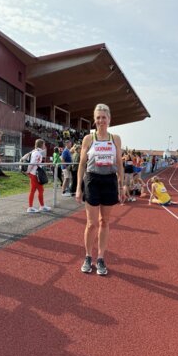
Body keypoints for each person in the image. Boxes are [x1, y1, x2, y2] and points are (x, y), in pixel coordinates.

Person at [76, 103, 125, 276]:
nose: (101, 120)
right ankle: (88, 256)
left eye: (104, 117)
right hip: (92, 180)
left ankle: (101, 257)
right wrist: (78, 188)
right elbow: (81, 165)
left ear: (109, 119)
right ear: (94, 120)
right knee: (91, 223)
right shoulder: (88, 139)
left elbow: (119, 163)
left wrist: (122, 184)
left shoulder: (115, 139)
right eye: (98, 117)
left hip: (109, 180)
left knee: (105, 221)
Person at [26, 139, 51, 213]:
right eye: (44, 144)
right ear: (41, 145)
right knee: (40, 190)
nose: (45, 146)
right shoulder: (38, 153)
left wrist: (28, 172)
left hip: (33, 174)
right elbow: (33, 163)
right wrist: (28, 171)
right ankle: (41, 206)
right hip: (35, 174)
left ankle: (31, 207)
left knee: (33, 190)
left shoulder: (35, 152)